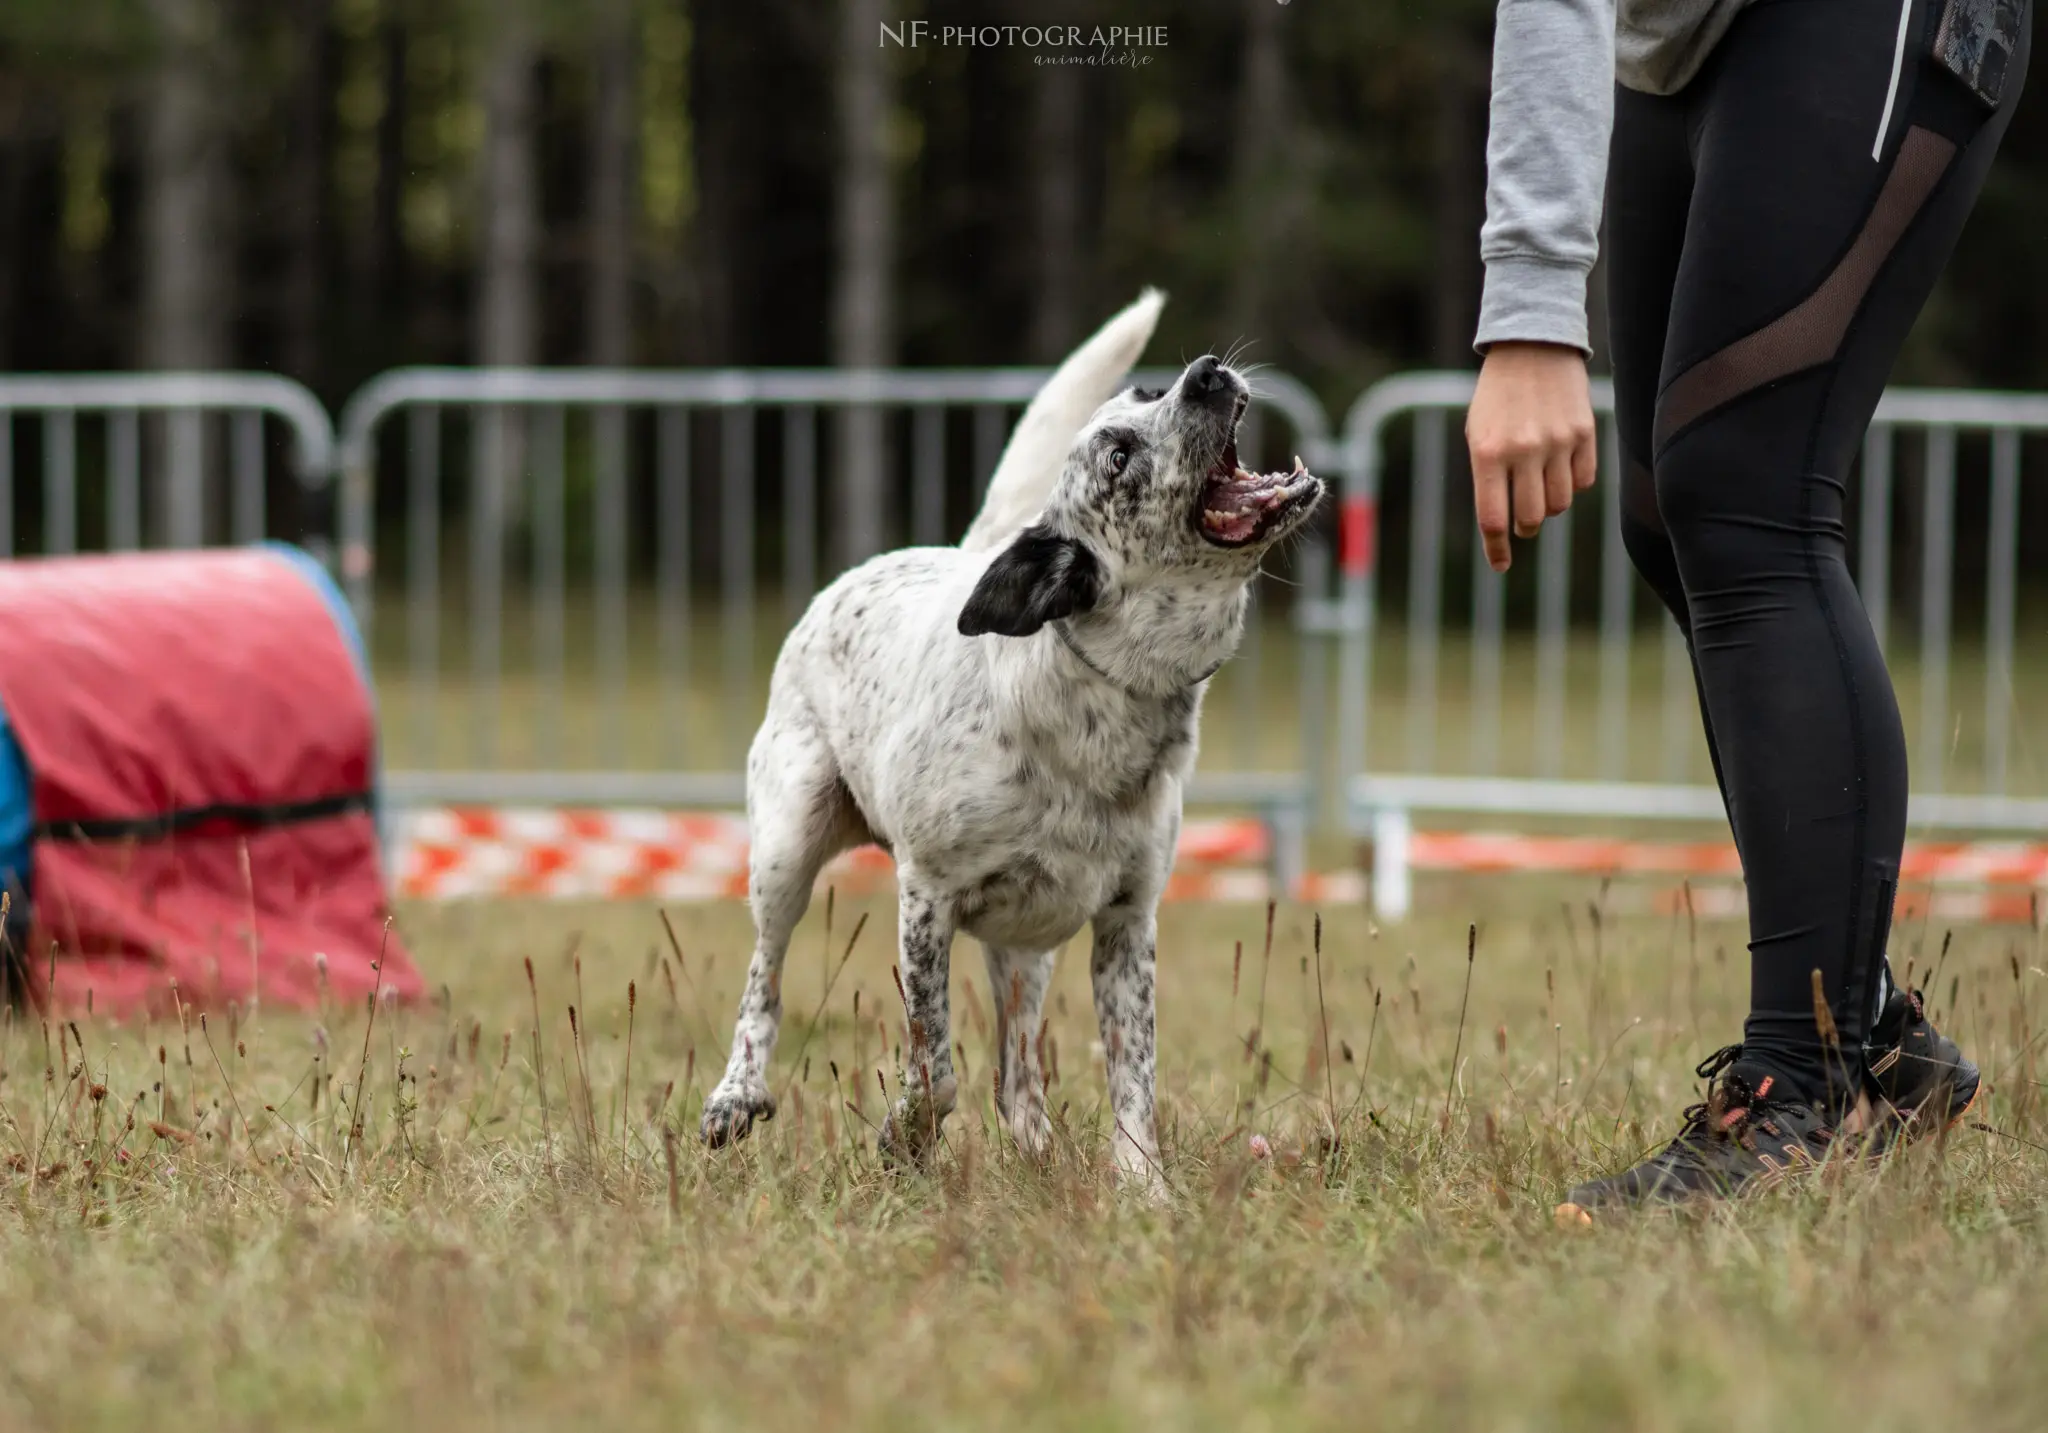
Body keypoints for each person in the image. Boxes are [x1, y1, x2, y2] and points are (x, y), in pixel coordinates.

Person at [1467, 0, 2029, 1211]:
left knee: (1746, 498)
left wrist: (1526, 314)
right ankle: (1872, 1032)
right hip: (1681, 40)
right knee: (1674, 511)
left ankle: (1802, 1084)